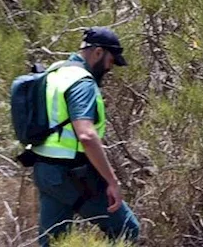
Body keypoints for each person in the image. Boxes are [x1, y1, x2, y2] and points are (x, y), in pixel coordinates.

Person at [30, 27, 141, 246]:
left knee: (54, 241)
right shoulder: (82, 82)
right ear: (98, 52)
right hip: (72, 174)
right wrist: (112, 181)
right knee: (126, 230)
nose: (110, 67)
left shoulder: (55, 72)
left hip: (45, 171)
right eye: (111, 60)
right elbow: (87, 135)